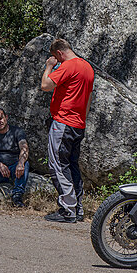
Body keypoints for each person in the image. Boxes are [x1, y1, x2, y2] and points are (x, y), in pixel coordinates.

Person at [40, 38, 94, 223]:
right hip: (78, 124)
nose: (57, 61)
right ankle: (77, 208)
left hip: (63, 122)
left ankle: (67, 210)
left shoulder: (68, 65)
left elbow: (45, 85)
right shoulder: (87, 67)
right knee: (72, 165)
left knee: (58, 165)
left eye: (57, 58)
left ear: (60, 53)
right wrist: (82, 120)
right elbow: (88, 99)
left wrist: (49, 66)